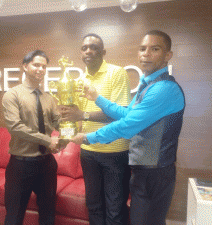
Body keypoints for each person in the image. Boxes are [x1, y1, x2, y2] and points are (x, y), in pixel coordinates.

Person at [71, 30, 186, 225]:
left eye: (154, 49)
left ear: (168, 56)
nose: (146, 54)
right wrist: (97, 98)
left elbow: (128, 126)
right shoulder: (147, 85)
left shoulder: (163, 89)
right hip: (143, 169)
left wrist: (88, 137)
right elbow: (126, 114)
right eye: (142, 49)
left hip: (156, 172)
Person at [60, 33, 131, 225]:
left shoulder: (117, 73)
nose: (88, 51)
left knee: (115, 207)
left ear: (103, 52)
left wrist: (81, 115)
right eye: (84, 48)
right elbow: (77, 116)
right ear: (81, 53)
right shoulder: (81, 79)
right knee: (93, 204)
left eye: (93, 47)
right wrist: (65, 134)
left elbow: (121, 113)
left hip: (114, 152)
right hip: (89, 152)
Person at [2, 50, 61, 225]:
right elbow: (15, 127)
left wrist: (71, 125)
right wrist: (47, 140)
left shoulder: (49, 98)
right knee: (14, 215)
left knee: (48, 213)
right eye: (36, 65)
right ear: (25, 66)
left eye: (44, 66)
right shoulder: (12, 95)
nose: (40, 69)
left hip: (47, 164)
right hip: (21, 166)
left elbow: (58, 123)